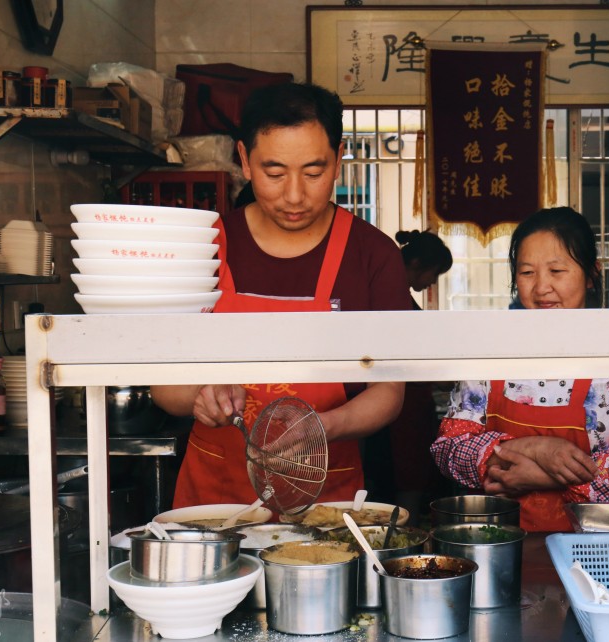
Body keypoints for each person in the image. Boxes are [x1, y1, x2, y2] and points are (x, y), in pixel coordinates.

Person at [151, 82, 414, 509]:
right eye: (274, 173)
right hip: (215, 502)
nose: (294, 195)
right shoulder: (203, 248)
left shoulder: (372, 254)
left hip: (326, 497)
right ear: (244, 161)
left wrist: (321, 428)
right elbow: (164, 388)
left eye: (313, 172)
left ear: (339, 157)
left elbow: (389, 391)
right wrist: (203, 395)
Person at [430, 207, 609, 532]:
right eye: (527, 272)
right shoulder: (490, 350)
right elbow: (450, 446)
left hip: (595, 545)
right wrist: (535, 448)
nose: (541, 287)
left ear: (590, 274)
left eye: (557, 271)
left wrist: (538, 475)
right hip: (497, 541)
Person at [363, 230, 453, 521]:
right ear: (415, 264)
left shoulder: (393, 295)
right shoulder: (394, 299)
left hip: (405, 399)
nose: (431, 282)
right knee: (407, 472)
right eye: (434, 273)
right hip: (404, 402)